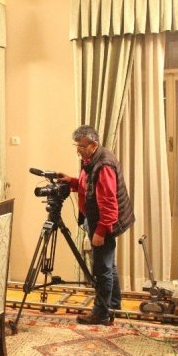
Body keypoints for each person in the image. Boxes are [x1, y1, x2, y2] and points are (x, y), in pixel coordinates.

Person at [59, 125, 135, 326]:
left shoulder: (103, 165)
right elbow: (89, 185)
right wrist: (72, 182)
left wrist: (100, 231)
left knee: (102, 269)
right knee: (108, 265)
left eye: (82, 146)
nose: (78, 150)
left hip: (104, 222)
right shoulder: (90, 160)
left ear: (94, 145)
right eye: (76, 145)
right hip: (98, 219)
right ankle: (114, 305)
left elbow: (109, 204)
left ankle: (101, 313)